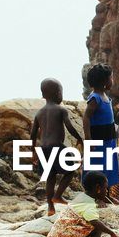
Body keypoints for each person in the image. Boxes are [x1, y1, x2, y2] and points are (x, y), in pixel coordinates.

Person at [44, 171, 119, 237]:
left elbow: (100, 197)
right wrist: (111, 233)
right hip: (62, 236)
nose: (106, 191)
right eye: (105, 188)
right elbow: (95, 222)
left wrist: (108, 199)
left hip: (55, 235)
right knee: (97, 229)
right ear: (98, 188)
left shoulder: (83, 197)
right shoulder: (88, 204)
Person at [31, 77, 83, 215]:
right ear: (56, 93)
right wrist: (79, 139)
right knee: (71, 170)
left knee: (50, 177)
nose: (61, 94)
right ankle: (58, 195)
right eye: (61, 92)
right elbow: (70, 127)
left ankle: (50, 207)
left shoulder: (39, 113)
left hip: (43, 148)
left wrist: (33, 152)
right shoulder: (60, 110)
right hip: (57, 146)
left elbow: (32, 134)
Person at [83, 64, 119, 197]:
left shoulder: (105, 97)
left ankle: (107, 196)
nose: (113, 80)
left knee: (109, 168)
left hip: (109, 140)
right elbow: (86, 117)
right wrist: (88, 139)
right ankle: (95, 196)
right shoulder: (95, 98)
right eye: (111, 78)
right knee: (97, 169)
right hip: (98, 141)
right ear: (105, 81)